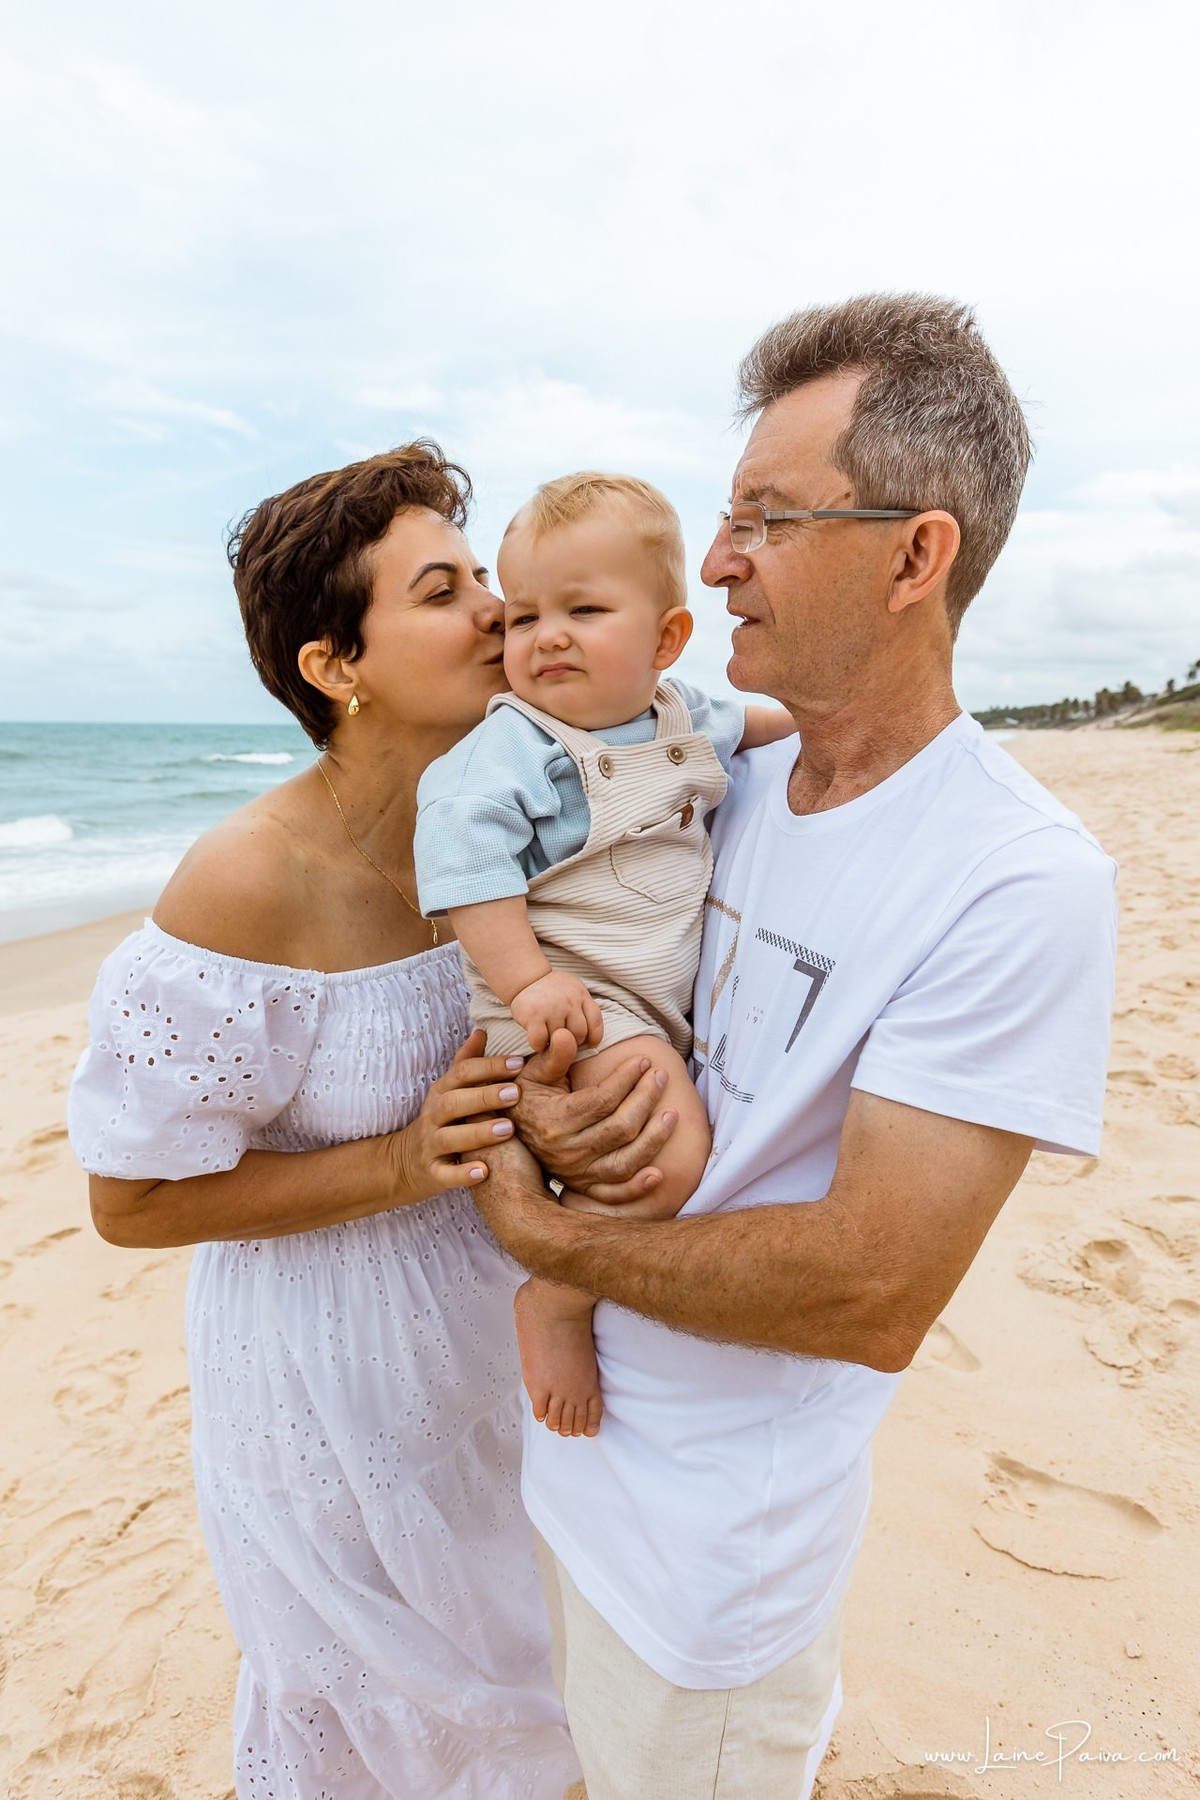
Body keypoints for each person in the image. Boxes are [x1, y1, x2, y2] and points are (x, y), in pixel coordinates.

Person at [468, 295, 1119, 1800]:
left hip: (712, 1560)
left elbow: (874, 1286)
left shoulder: (1016, 875)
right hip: (570, 1463)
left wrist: (533, 1235)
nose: (714, 561)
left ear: (914, 554)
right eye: (724, 511)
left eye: (768, 517)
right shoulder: (719, 784)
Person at [67, 443, 582, 1799]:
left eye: (484, 578)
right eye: (440, 591)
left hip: (503, 1341)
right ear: (333, 666)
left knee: (544, 1681)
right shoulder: (247, 885)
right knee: (388, 1723)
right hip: (327, 1385)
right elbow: (129, 1203)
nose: (496, 609)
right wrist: (405, 1158)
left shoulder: (517, 818)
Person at [413, 473, 795, 1437]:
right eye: (526, 613)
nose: (545, 636)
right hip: (563, 997)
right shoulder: (512, 748)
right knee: (665, 1154)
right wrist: (528, 980)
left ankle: (572, 1233)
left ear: (666, 640)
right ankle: (560, 1290)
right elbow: (464, 859)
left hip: (645, 994)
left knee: (643, 1144)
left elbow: (772, 723)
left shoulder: (686, 714)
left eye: (584, 610)